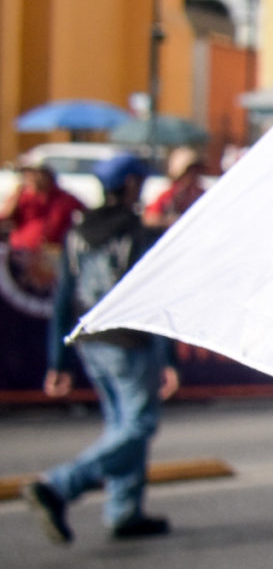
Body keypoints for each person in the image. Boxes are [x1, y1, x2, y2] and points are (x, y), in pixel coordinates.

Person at [22, 156, 180, 546]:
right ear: (128, 185)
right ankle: (59, 486)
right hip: (127, 342)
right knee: (139, 425)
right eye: (138, 184)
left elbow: (63, 299)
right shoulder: (134, 232)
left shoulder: (79, 232)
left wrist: (58, 359)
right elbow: (152, 296)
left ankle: (124, 511)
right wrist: (169, 359)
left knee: (120, 426)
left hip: (91, 340)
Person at [5, 164, 83, 252]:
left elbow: (85, 214)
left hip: (54, 250)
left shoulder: (64, 199)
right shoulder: (23, 197)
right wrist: (17, 195)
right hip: (22, 249)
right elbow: (6, 217)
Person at [144, 147, 207, 226]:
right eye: (191, 172)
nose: (195, 175)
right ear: (180, 175)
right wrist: (169, 221)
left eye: (197, 171)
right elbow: (149, 218)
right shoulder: (168, 196)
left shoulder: (202, 195)